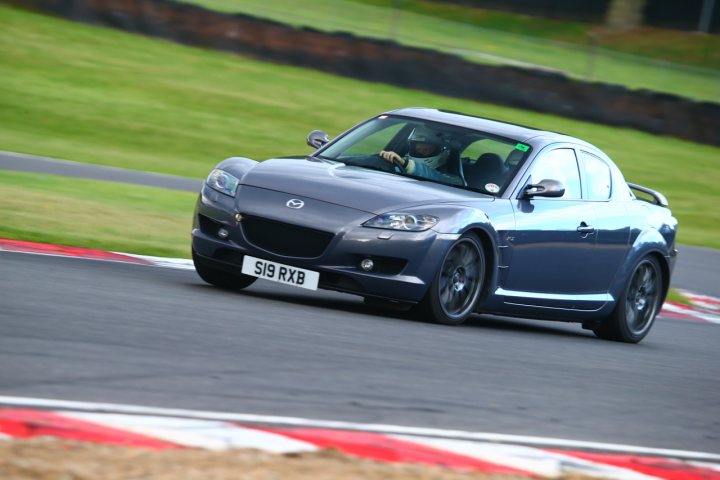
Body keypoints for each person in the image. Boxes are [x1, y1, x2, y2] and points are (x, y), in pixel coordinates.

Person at [379, 126, 461, 185]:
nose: (420, 153)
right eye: (417, 150)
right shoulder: (399, 165)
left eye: (426, 150)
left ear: (442, 151)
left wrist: (406, 164)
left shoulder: (454, 180)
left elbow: (437, 177)